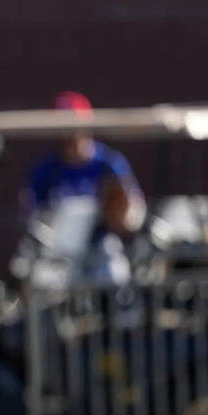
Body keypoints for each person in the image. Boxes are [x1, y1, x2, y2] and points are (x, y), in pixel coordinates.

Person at [24, 91, 146, 284]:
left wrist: (119, 215)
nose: (70, 133)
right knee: (43, 278)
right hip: (60, 250)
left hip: (100, 245)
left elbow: (133, 212)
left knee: (113, 274)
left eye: (73, 124)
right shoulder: (47, 168)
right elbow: (33, 213)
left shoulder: (108, 163)